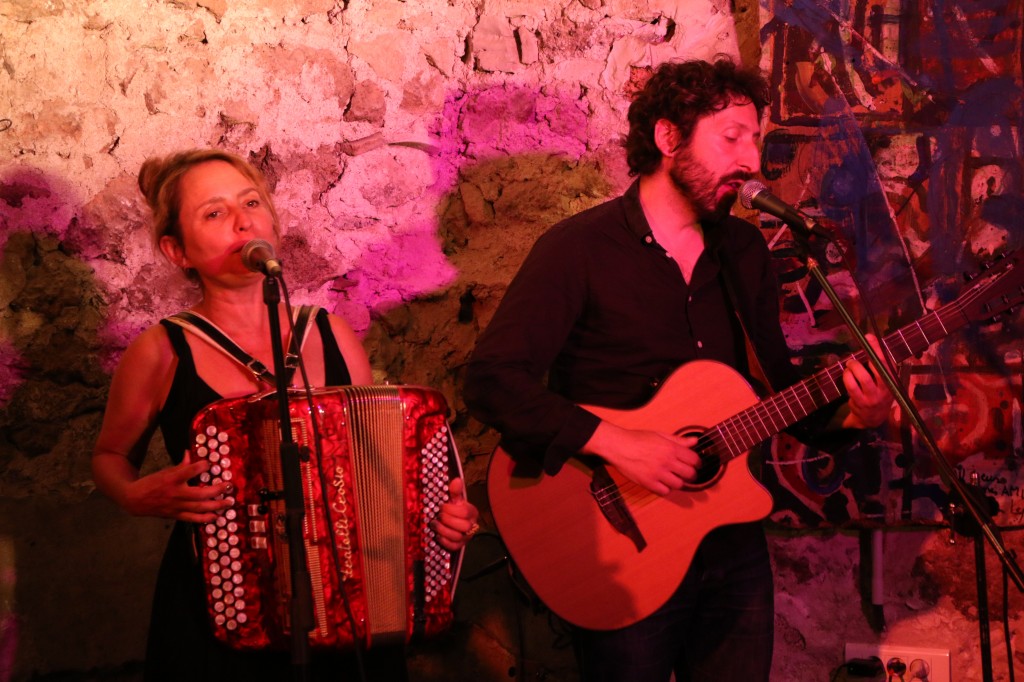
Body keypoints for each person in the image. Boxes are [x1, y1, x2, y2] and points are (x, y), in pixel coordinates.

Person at [462, 58, 893, 681]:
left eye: (755, 140)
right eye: (732, 138)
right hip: (615, 541)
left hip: (731, 541)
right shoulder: (578, 250)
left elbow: (776, 393)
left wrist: (857, 413)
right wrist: (619, 444)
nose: (751, 161)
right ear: (668, 138)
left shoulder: (744, 252)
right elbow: (492, 381)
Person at [92, 148, 479, 681]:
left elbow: (375, 476)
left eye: (251, 202)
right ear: (177, 251)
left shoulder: (330, 333)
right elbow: (109, 456)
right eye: (214, 212)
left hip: (349, 610)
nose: (242, 221)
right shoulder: (161, 350)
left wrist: (433, 520)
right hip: (221, 612)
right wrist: (133, 495)